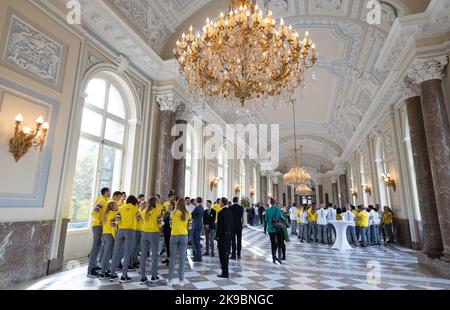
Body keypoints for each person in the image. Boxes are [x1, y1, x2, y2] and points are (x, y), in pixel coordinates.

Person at [110, 195, 139, 283]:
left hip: (120, 230)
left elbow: (117, 221)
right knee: (127, 253)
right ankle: (124, 275)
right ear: (134, 201)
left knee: (116, 252)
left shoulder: (121, 208)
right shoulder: (135, 209)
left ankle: (112, 274)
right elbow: (139, 219)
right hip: (129, 231)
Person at [137, 197, 163, 283]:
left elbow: (140, 220)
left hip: (144, 233)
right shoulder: (157, 211)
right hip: (153, 233)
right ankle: (154, 276)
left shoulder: (143, 211)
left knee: (143, 255)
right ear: (155, 202)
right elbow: (159, 224)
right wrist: (160, 224)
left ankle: (143, 276)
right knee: (154, 255)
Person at [167, 199, 192, 287]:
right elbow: (190, 226)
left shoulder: (172, 213)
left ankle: (170, 280)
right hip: (184, 235)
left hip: (174, 235)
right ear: (184, 204)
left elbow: (170, 225)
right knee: (182, 259)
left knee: (172, 258)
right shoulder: (188, 213)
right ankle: (181, 280)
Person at [88, 187, 110, 278]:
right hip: (98, 226)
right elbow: (94, 213)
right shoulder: (101, 201)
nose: (110, 193)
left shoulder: (106, 200)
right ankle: (91, 270)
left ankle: (94, 265)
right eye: (109, 191)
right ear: (105, 192)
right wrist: (100, 221)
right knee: (96, 246)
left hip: (102, 226)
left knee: (98, 246)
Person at [99, 200, 118, 280]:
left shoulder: (106, 214)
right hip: (110, 236)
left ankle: (106, 270)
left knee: (106, 254)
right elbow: (113, 227)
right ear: (112, 206)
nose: (117, 206)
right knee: (107, 255)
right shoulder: (113, 214)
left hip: (104, 235)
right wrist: (115, 237)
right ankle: (102, 273)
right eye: (116, 205)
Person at [216, 197, 234, 278]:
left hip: (222, 236)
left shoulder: (220, 213)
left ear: (223, 203)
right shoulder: (230, 211)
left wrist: (217, 236)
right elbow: (231, 224)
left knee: (222, 255)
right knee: (226, 254)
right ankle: (225, 272)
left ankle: (224, 273)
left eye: (220, 202)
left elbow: (219, 227)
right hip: (229, 235)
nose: (219, 203)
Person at [265, 198, 284, 264]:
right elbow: (282, 218)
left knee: (273, 243)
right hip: (278, 228)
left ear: (270, 203)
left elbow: (266, 220)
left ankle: (273, 258)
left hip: (270, 229)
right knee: (280, 242)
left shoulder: (267, 210)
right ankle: (279, 258)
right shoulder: (278, 210)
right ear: (275, 203)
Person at [161, 201, 175, 266]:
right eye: (168, 205)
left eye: (170, 205)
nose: (169, 206)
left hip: (171, 231)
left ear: (173, 206)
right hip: (166, 230)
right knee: (167, 245)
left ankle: (171, 259)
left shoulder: (174, 213)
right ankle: (168, 258)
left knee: (170, 246)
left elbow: (172, 222)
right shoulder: (166, 212)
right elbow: (164, 220)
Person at [191, 197, 204, 262]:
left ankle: (199, 257)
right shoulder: (201, 207)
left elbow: (192, 215)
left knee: (196, 242)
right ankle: (197, 255)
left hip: (196, 226)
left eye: (195, 200)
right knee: (196, 241)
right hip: (197, 225)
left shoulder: (198, 207)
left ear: (197, 201)